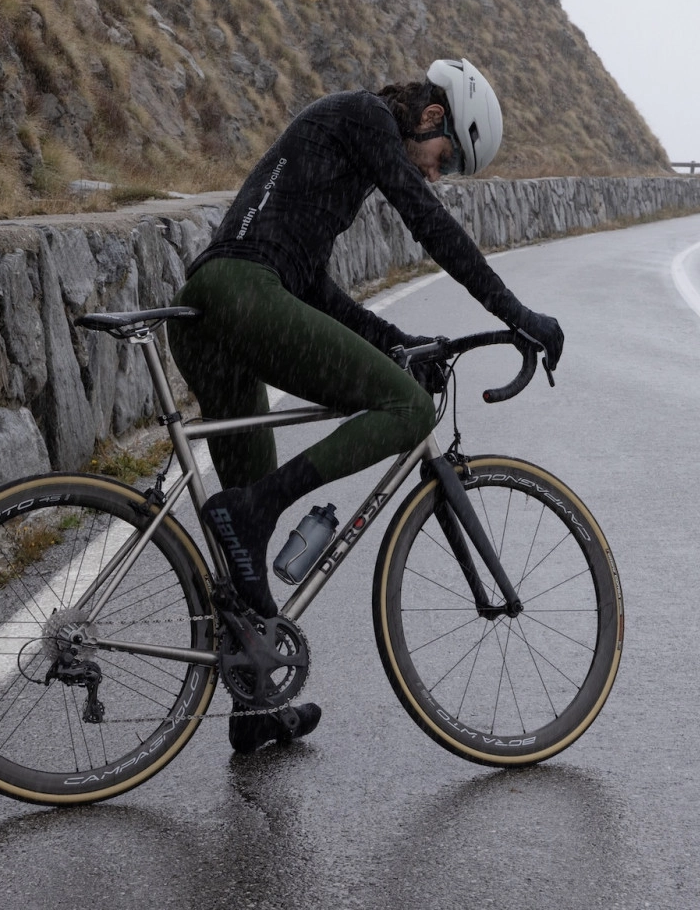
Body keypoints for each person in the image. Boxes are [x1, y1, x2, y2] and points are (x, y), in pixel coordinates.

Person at [167, 59, 565, 752]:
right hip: (241, 297)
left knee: (244, 553)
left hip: (214, 312)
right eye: (446, 160)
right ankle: (258, 505)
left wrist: (397, 341)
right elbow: (431, 226)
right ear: (433, 117)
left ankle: (254, 708)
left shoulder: (340, 146)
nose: (437, 176)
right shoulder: (368, 117)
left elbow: (314, 288)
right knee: (407, 409)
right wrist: (517, 313)